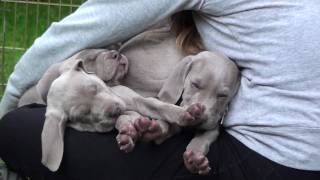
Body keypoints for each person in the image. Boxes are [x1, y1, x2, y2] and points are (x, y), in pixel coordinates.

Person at [0, 0, 320, 179]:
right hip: (303, 158)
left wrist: (12, 95)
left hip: (263, 160)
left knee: (15, 128)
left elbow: (86, 25)